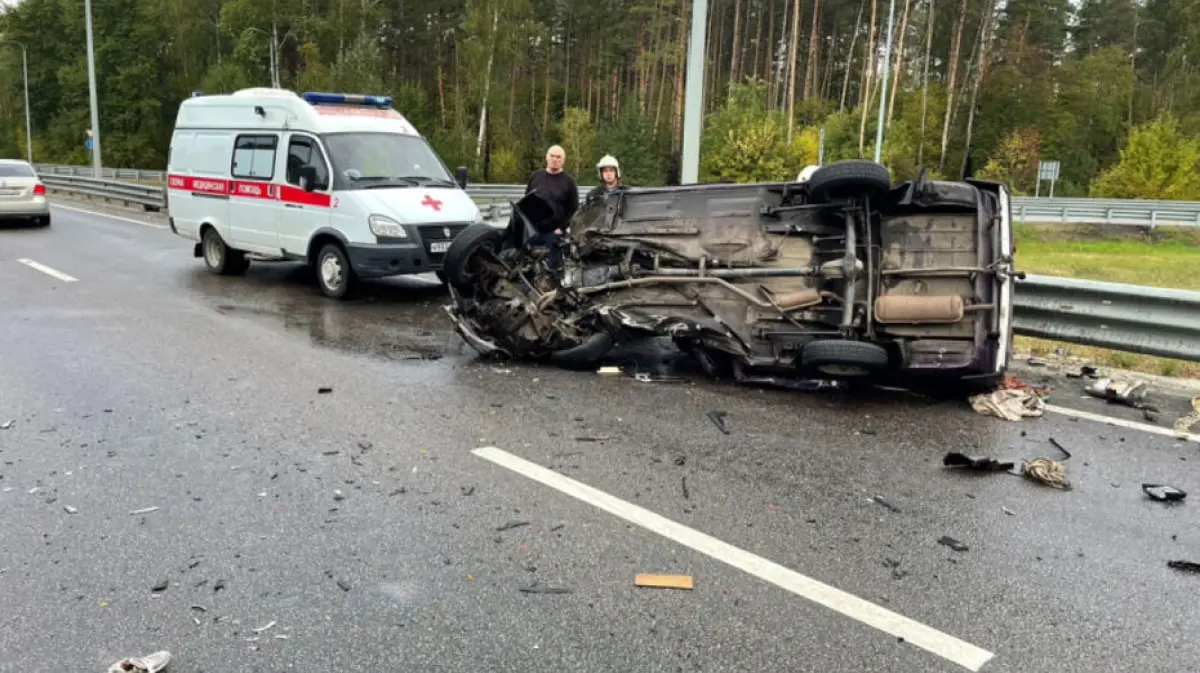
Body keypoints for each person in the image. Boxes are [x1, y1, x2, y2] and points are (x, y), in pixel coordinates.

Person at [524, 145, 579, 268]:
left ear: (563, 160)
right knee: (520, 258)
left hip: (554, 232)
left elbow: (574, 210)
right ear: (547, 158)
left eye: (558, 157)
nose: (555, 159)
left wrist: (561, 229)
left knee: (553, 265)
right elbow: (527, 202)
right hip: (533, 230)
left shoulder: (569, 181)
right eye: (552, 156)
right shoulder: (536, 176)